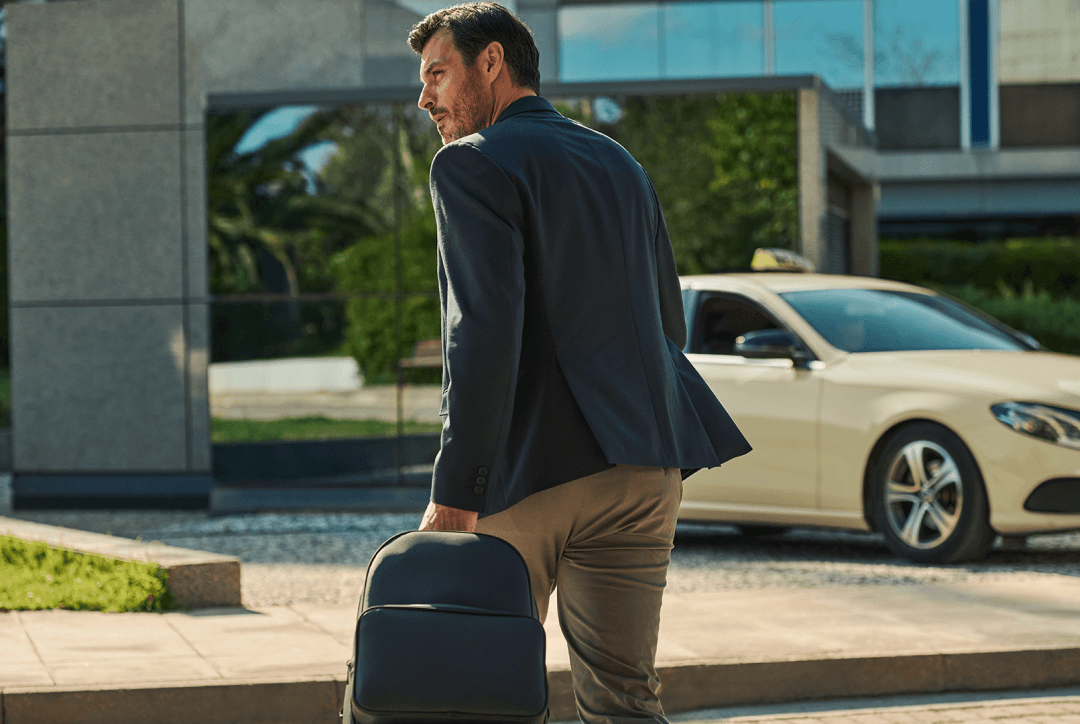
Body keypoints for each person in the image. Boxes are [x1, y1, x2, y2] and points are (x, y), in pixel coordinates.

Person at [408, 5, 751, 721]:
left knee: (478, 694)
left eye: (438, 74)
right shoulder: (618, 161)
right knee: (625, 699)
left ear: (492, 62)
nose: (425, 98)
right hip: (643, 471)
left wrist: (457, 489)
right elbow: (667, 321)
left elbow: (483, 333)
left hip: (531, 475)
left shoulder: (470, 164)